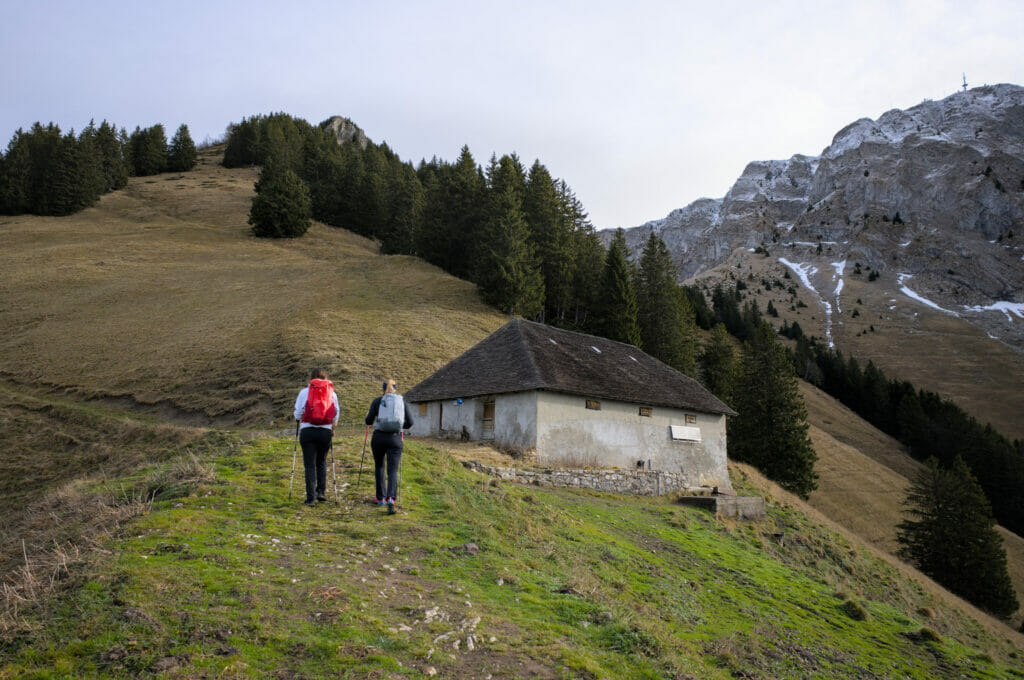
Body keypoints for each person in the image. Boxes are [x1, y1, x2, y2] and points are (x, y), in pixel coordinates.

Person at [365, 378, 414, 515]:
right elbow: (410, 422)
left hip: (379, 437)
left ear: (382, 389)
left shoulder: (377, 401)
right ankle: (391, 498)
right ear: (395, 389)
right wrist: (399, 426)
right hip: (395, 438)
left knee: (379, 466)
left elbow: (368, 420)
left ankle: (380, 498)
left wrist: (373, 418)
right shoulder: (401, 402)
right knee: (392, 470)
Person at [293, 367, 340, 506]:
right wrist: (332, 427)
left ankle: (310, 498)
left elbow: (298, 412)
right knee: (321, 461)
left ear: (311, 379)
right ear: (325, 379)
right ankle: (321, 492)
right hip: (325, 432)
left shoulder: (304, 392)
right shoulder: (332, 393)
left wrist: (298, 419)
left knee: (309, 465)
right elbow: (336, 413)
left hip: (307, 431)